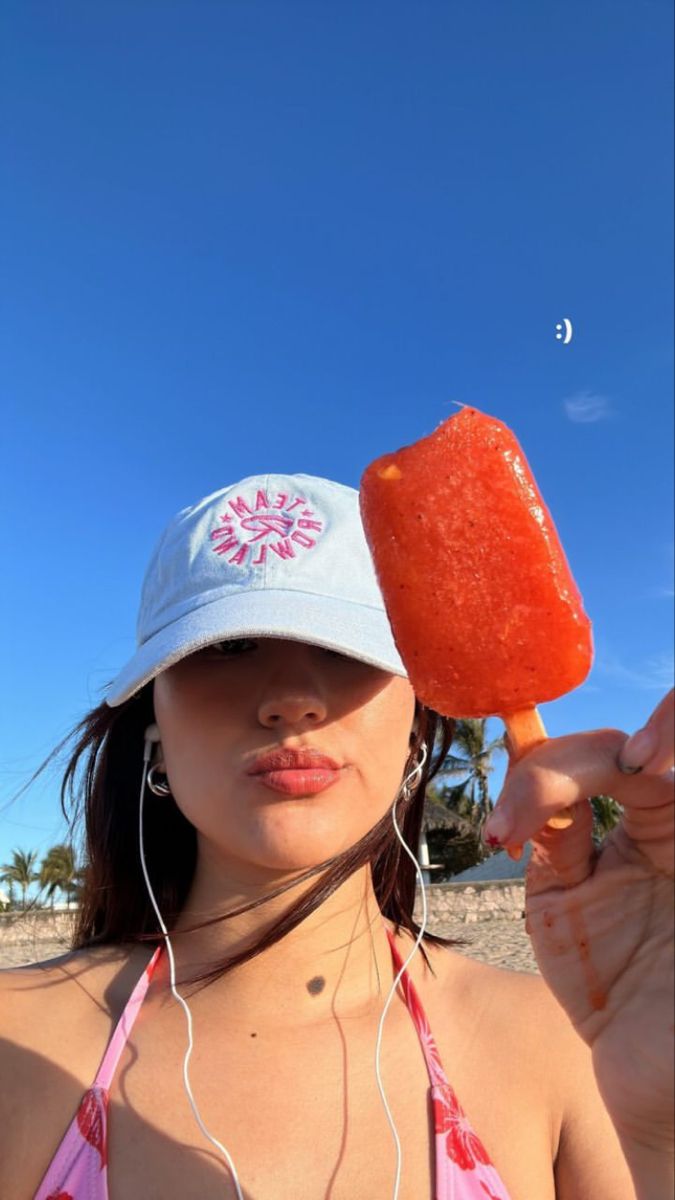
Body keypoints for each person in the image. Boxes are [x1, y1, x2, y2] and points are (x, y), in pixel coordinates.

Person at [1, 472, 672, 1200]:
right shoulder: (15, 1044)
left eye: (346, 649)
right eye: (230, 647)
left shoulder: (561, 1042)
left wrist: (661, 1135)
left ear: (418, 722)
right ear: (152, 729)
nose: (293, 701)